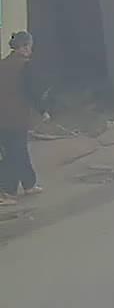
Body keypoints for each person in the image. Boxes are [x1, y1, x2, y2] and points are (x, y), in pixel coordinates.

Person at [0, 31, 51, 204]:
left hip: (3, 117)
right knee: (13, 154)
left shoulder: (2, 64)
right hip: (16, 117)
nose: (30, 50)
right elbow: (31, 91)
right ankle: (7, 193)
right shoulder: (25, 66)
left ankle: (29, 184)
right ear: (23, 47)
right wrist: (43, 111)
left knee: (18, 150)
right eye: (29, 46)